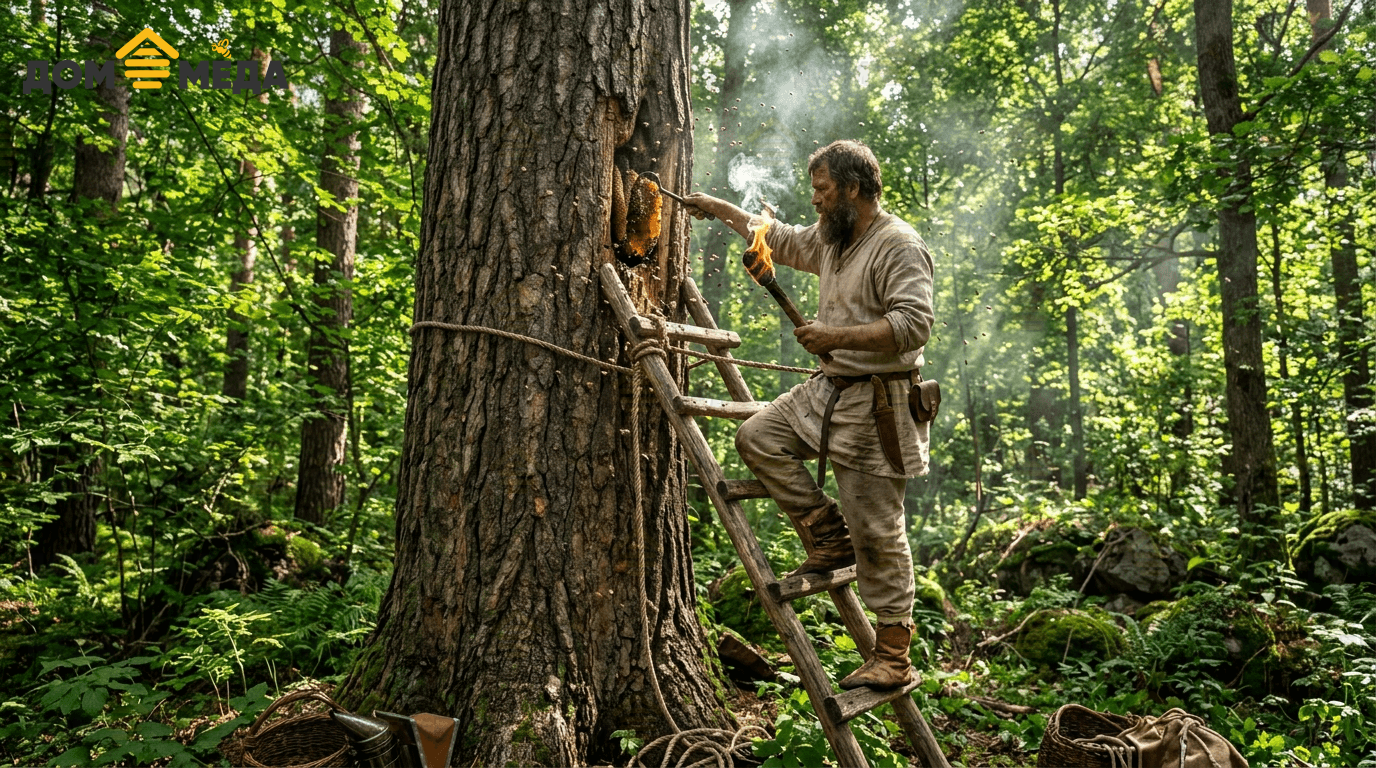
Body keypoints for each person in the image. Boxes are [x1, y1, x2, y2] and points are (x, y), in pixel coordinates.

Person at [682, 140, 934, 690]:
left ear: (853, 188)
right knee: (758, 437)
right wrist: (720, 209)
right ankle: (826, 533)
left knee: (878, 530)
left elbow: (913, 324)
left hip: (878, 405)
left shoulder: (898, 244)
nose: (815, 200)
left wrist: (835, 337)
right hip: (828, 392)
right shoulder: (833, 237)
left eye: (823, 190)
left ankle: (893, 654)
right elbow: (777, 237)